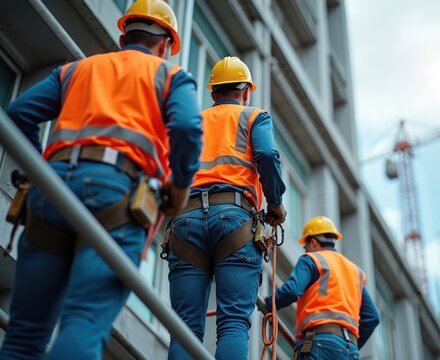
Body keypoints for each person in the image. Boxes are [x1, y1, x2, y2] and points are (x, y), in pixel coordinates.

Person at [0, 0, 202, 358]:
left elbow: (17, 114)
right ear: (166, 45)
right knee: (83, 322)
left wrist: (39, 170)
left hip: (50, 192)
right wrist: (179, 186)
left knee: (24, 335)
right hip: (115, 197)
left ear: (124, 36)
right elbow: (186, 127)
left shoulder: (78, 70)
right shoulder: (169, 76)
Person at [165, 56, 287, 360]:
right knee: (232, 323)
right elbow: (268, 155)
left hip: (186, 220)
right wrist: (275, 204)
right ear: (246, 91)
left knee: (183, 327)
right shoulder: (254, 116)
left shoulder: (194, 120)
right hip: (235, 220)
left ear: (212, 92)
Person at [265, 216, 380, 359]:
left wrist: (269, 304)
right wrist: (350, 344)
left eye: (305, 247)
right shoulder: (355, 271)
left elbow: (292, 291)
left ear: (313, 242)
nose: (305, 251)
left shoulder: (312, 259)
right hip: (350, 350)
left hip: (320, 342)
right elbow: (373, 317)